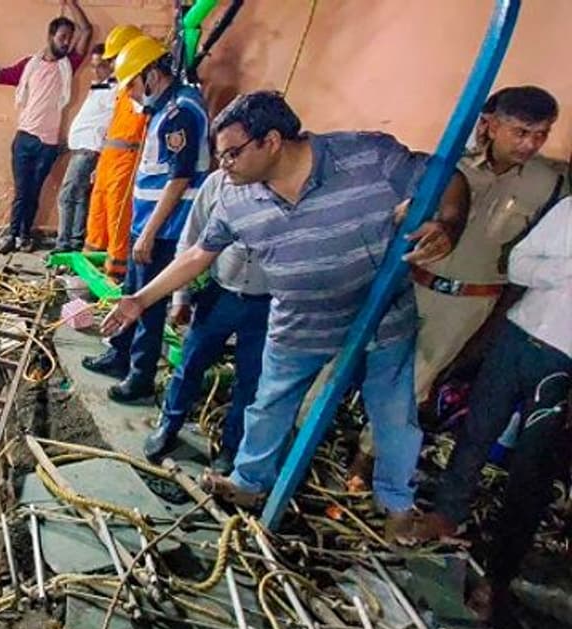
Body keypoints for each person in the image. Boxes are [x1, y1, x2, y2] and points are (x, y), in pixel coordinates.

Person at [99, 91, 469, 539]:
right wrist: (140, 300)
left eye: (232, 153)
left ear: (271, 141)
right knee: (269, 404)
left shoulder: (366, 155)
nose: (224, 165)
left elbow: (446, 177)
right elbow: (199, 253)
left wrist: (450, 223)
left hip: (381, 314)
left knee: (393, 415)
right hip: (299, 321)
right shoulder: (236, 197)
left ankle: (397, 505)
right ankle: (249, 482)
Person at [345, 86, 565, 485]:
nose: (530, 144)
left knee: (413, 385)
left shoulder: (548, 184)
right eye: (520, 132)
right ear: (491, 126)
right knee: (346, 359)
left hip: (467, 303)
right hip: (409, 284)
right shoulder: (447, 164)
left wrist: (495, 318)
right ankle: (299, 439)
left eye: (541, 134)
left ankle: (364, 462)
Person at [413, 199, 571, 579]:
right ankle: (447, 515)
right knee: (476, 433)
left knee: (532, 469)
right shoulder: (569, 210)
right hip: (517, 338)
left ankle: (500, 570)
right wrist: (563, 270)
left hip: (563, 363)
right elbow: (517, 264)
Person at [82, 34, 211, 405]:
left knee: (147, 304)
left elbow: (179, 178)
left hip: (164, 229)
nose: (132, 94)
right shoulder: (165, 108)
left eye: (133, 85)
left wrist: (149, 233)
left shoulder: (179, 113)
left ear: (151, 75)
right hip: (149, 222)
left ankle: (139, 377)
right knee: (132, 292)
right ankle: (119, 353)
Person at [144, 169, 270, 474]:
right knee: (191, 363)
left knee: (251, 379)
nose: (229, 162)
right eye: (224, 154)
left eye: (235, 153)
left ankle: (231, 447)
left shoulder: (288, 187)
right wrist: (181, 297)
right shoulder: (218, 182)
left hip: (267, 302)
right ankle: (169, 426)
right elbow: (190, 241)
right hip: (220, 294)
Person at [0, 0, 92, 253]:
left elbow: (86, 31)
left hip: (48, 144)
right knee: (21, 192)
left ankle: (24, 235)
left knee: (34, 192)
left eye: (69, 38)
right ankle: (12, 236)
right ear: (51, 36)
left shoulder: (68, 65)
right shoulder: (30, 65)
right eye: (62, 37)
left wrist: (71, 3)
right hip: (24, 139)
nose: (66, 42)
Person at [82, 24, 150, 280]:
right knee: (98, 211)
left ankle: (116, 271)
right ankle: (91, 261)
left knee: (118, 215)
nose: (111, 65)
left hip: (126, 161)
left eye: (113, 59)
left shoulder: (140, 87)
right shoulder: (123, 87)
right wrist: (100, 164)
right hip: (110, 159)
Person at [53, 43, 116, 253]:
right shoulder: (101, 87)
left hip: (89, 149)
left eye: (101, 66)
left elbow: (113, 120)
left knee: (67, 196)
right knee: (79, 197)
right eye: (93, 66)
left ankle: (64, 244)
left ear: (112, 65)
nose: (96, 71)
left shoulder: (113, 89)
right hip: (82, 148)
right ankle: (74, 241)